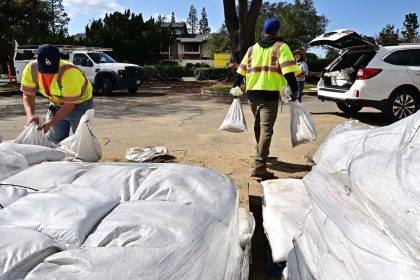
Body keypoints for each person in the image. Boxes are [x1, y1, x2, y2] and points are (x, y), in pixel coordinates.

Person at [232, 18, 301, 179]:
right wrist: (295, 91)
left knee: (259, 127)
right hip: (269, 95)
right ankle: (260, 166)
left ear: (264, 31)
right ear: (278, 31)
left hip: (252, 94)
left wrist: (236, 86)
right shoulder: (281, 47)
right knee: (266, 130)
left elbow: (240, 72)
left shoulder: (252, 49)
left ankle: (260, 155)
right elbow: (289, 72)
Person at [20, 44, 94, 143]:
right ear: (37, 61)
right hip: (57, 104)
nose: (48, 73)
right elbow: (28, 95)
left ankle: (85, 157)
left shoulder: (69, 72)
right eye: (44, 69)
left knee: (81, 139)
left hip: (80, 104)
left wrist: (49, 123)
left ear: (59, 60)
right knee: (55, 141)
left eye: (51, 70)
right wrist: (31, 115)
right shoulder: (30, 70)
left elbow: (69, 104)